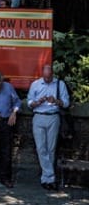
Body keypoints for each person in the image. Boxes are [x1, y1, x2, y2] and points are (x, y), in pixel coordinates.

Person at [27, 62, 70, 192]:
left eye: (49, 77)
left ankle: (46, 179)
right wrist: (37, 102)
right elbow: (29, 102)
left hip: (53, 116)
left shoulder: (60, 84)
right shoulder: (35, 84)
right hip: (39, 116)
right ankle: (51, 178)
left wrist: (56, 101)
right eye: (45, 77)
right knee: (41, 148)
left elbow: (66, 103)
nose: (47, 79)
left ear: (52, 74)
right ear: (42, 74)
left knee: (51, 149)